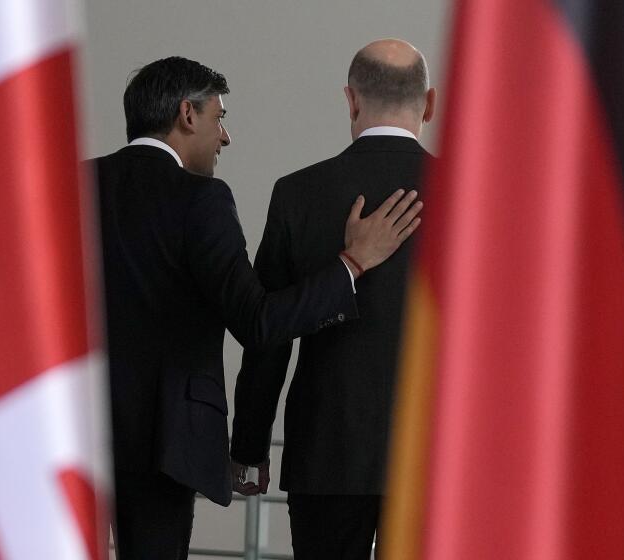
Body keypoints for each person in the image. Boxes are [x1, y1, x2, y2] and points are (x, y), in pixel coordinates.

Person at [87, 56, 422, 560]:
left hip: (64, 423)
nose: (225, 137)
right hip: (164, 440)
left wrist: (249, 446)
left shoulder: (71, 186)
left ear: (350, 100)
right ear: (187, 114)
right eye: (219, 118)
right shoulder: (200, 200)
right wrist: (351, 264)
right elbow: (260, 322)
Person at [230, 39, 437, 560]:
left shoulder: (299, 192)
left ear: (350, 99)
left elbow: (269, 337)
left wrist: (250, 446)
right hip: (436, 454)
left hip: (328, 449)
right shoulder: (475, 193)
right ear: (428, 103)